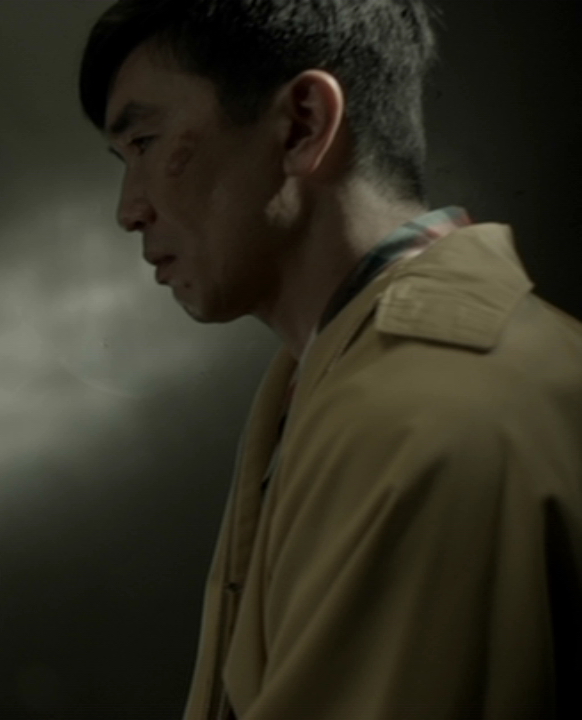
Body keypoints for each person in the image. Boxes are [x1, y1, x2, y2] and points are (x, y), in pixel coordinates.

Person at [79, 1, 582, 717]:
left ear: (303, 125)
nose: (129, 208)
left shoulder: (424, 420)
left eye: (147, 143)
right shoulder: (351, 372)